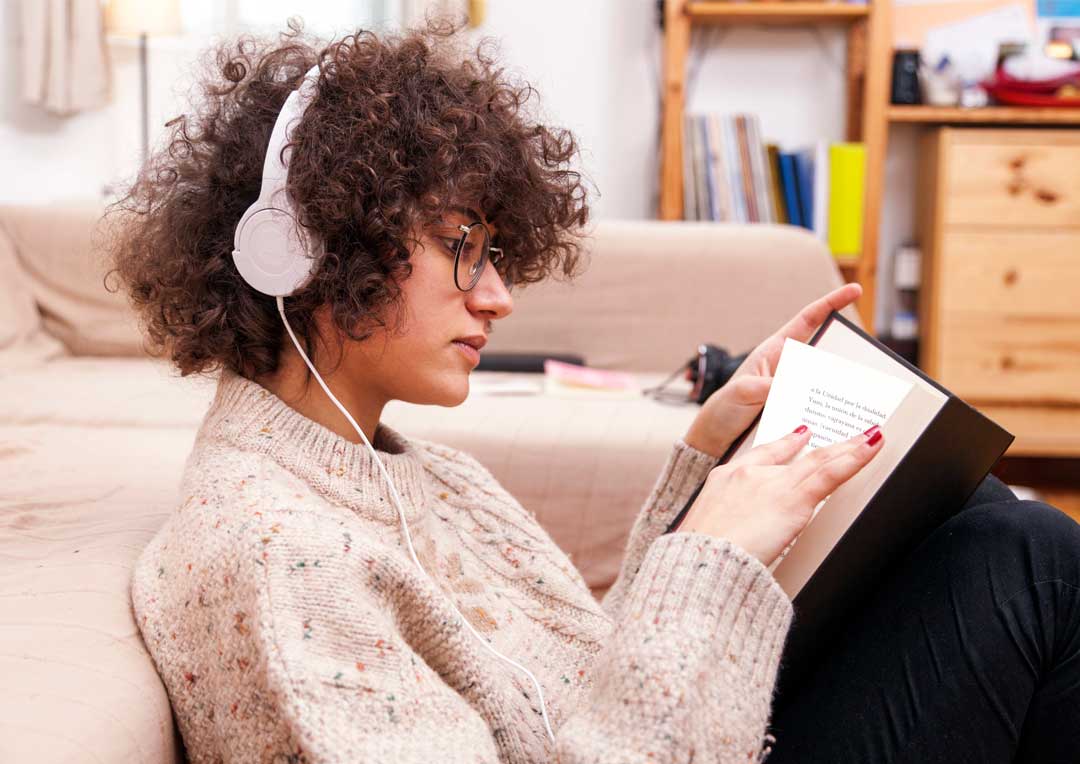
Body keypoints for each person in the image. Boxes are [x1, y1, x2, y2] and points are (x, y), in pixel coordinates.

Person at [106, 21, 1080, 764]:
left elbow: (591, 664)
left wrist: (707, 460)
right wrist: (710, 551)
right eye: (463, 251)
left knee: (977, 515)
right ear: (311, 248)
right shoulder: (274, 558)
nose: (499, 296)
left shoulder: (412, 473)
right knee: (1028, 556)